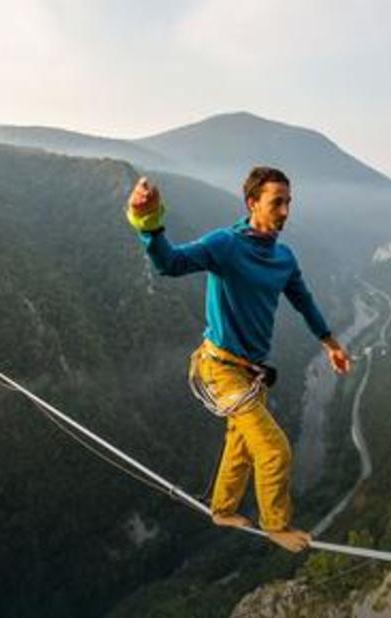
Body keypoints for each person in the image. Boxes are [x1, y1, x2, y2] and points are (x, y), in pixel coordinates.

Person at [126, 166, 352, 553]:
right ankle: (276, 524)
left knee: (242, 443)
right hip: (219, 368)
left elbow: (303, 300)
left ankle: (222, 508)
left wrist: (330, 343)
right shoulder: (225, 245)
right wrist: (148, 221)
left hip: (250, 374)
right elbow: (170, 264)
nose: (284, 212)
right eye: (276, 202)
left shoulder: (283, 257)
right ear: (252, 203)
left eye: (288, 203)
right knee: (274, 449)